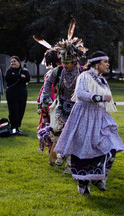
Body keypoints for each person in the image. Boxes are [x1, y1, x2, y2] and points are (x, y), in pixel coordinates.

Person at [54, 51, 124, 195]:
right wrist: (99, 97)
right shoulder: (84, 76)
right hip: (84, 117)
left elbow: (106, 99)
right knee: (86, 151)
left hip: (99, 117)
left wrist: (108, 100)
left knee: (111, 146)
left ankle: (98, 176)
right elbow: (80, 94)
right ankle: (83, 183)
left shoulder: (102, 80)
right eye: (105, 62)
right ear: (97, 63)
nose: (108, 64)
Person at [41, 36, 87, 172]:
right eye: (63, 62)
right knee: (56, 131)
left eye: (68, 63)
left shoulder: (82, 73)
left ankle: (70, 163)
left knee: (74, 135)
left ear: (74, 62)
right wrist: (44, 100)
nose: (65, 65)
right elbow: (48, 84)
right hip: (61, 106)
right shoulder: (58, 71)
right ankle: (60, 155)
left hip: (77, 108)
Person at [5, 56, 30, 135]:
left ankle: (17, 126)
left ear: (19, 62)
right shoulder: (9, 71)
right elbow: (8, 78)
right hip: (12, 94)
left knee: (21, 110)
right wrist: (19, 77)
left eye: (14, 61)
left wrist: (17, 77)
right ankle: (13, 127)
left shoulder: (24, 71)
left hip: (22, 94)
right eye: (12, 62)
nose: (13, 63)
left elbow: (27, 78)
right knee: (13, 111)